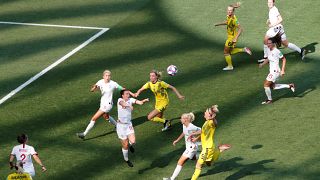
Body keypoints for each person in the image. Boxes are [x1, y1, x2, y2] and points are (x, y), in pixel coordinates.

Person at [77, 70, 131, 139]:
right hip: (102, 103)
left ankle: (84, 134)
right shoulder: (100, 82)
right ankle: (118, 126)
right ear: (103, 76)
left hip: (107, 105)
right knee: (106, 117)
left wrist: (127, 92)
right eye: (106, 76)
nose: (108, 77)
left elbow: (121, 88)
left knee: (94, 118)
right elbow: (92, 90)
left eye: (109, 76)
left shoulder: (113, 83)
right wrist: (94, 88)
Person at [189, 105, 231, 180]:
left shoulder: (210, 122)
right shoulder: (206, 122)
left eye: (206, 111)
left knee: (198, 165)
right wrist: (195, 137)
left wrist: (213, 118)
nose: (204, 112)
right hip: (207, 147)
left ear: (209, 115)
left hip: (207, 149)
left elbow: (215, 124)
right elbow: (202, 132)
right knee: (209, 163)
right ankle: (219, 150)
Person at [163, 112, 201, 180]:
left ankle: (172, 179)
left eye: (181, 118)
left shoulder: (192, 126)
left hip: (192, 147)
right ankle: (201, 158)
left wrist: (193, 134)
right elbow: (184, 132)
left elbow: (202, 130)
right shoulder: (184, 125)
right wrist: (177, 140)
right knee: (193, 158)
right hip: (188, 146)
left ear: (186, 119)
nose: (180, 119)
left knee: (180, 162)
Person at [215, 2, 252, 71]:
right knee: (230, 51)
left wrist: (235, 38)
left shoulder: (234, 20)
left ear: (233, 12)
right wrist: (219, 24)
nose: (229, 11)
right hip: (230, 37)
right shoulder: (229, 15)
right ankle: (243, 49)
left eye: (230, 10)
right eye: (228, 10)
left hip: (232, 38)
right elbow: (227, 22)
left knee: (226, 52)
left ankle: (230, 66)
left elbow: (241, 29)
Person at [117, 89, 149, 167]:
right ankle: (126, 160)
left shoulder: (131, 100)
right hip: (121, 126)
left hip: (128, 125)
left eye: (129, 93)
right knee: (125, 145)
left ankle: (131, 145)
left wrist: (144, 101)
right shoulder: (120, 100)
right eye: (127, 94)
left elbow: (139, 102)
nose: (129, 95)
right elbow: (123, 104)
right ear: (123, 95)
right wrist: (129, 105)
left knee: (133, 141)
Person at [259, 38, 295, 104]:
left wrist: (283, 70)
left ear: (273, 44)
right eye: (267, 43)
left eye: (269, 43)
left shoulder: (277, 51)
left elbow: (284, 59)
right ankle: (290, 85)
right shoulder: (268, 50)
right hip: (272, 71)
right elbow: (268, 58)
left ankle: (269, 100)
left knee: (266, 84)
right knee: (272, 86)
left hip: (275, 71)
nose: (268, 44)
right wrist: (262, 64)